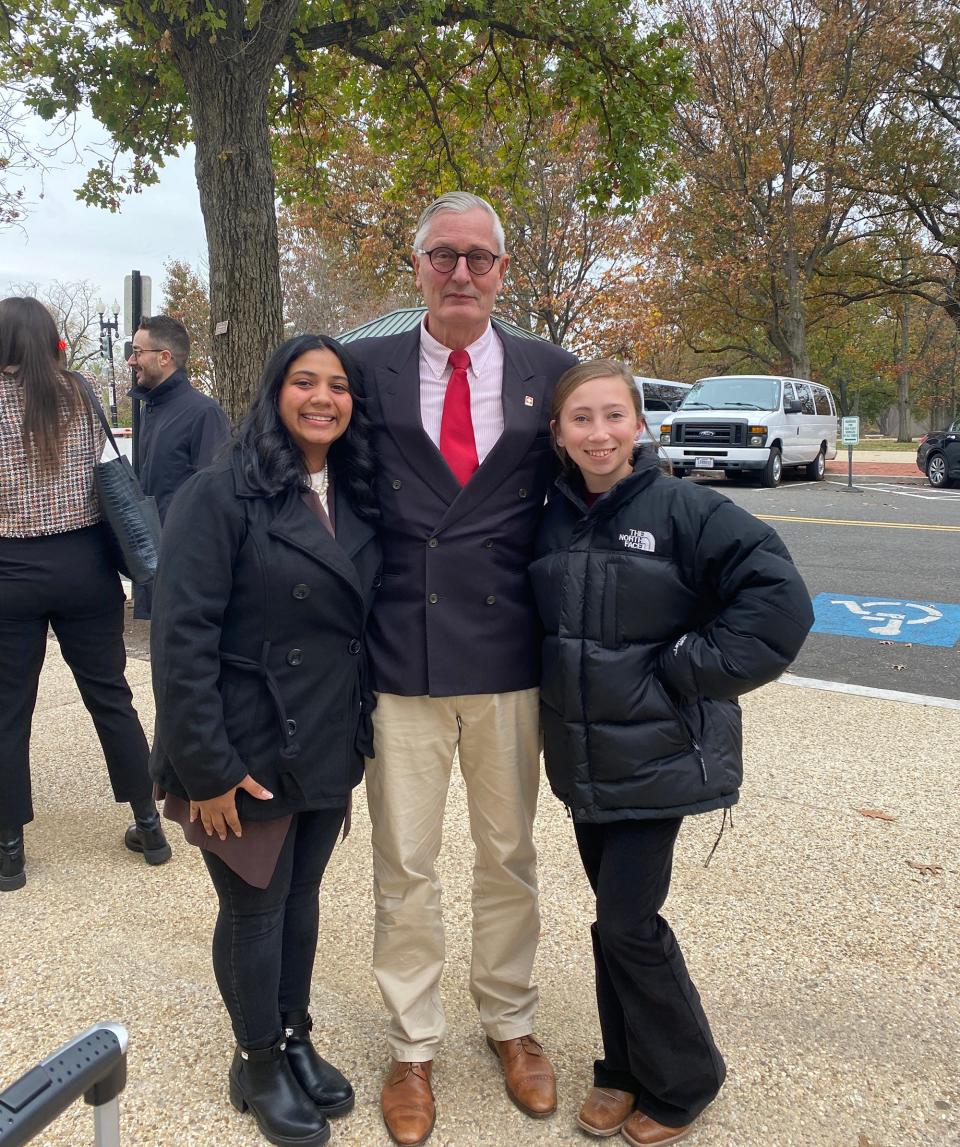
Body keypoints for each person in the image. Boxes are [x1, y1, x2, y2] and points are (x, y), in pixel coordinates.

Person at [529, 360, 814, 1146]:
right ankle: (622, 1068)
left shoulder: (684, 508)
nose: (599, 432)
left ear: (639, 425)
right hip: (584, 759)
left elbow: (780, 600)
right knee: (612, 918)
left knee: (628, 922)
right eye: (580, 418)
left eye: (614, 415)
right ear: (557, 432)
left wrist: (688, 672)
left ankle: (686, 1079)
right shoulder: (549, 514)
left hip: (658, 756)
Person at [348, 191, 577, 1145]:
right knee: (403, 862)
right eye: (443, 256)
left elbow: (587, 497)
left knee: (508, 855)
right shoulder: (362, 368)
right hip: (399, 649)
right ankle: (412, 1043)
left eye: (479, 258)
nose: (461, 273)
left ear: (502, 271)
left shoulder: (549, 370)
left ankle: (512, 1022)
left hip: (506, 653)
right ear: (417, 268)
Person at [149, 334, 380, 1147]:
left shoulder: (352, 493)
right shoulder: (218, 494)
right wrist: (207, 769)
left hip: (324, 735)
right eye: (304, 381)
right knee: (254, 907)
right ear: (274, 391)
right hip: (242, 744)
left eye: (339, 385)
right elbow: (181, 641)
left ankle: (291, 1035)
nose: (323, 397)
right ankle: (254, 1061)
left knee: (302, 901)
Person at [0, 295, 170, 894]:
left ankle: (9, 851)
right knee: (110, 695)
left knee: (7, 709)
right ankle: (148, 824)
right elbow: (110, 473)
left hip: (10, 570)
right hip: (84, 565)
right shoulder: (78, 392)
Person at [126, 314, 231, 618]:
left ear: (165, 357)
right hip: (156, 564)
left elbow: (216, 498)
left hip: (187, 572)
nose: (131, 361)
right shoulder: (152, 411)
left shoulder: (203, 413)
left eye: (137, 351)